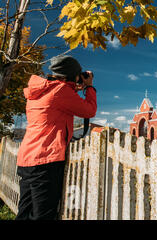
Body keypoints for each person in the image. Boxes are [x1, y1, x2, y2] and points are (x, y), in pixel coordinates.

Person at [15, 55, 97, 220]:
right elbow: (89, 111)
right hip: (45, 160)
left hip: (27, 158)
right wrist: (89, 88)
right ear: (70, 75)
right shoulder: (61, 91)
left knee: (24, 213)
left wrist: (75, 86)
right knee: (43, 216)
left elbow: (58, 99)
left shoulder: (39, 91)